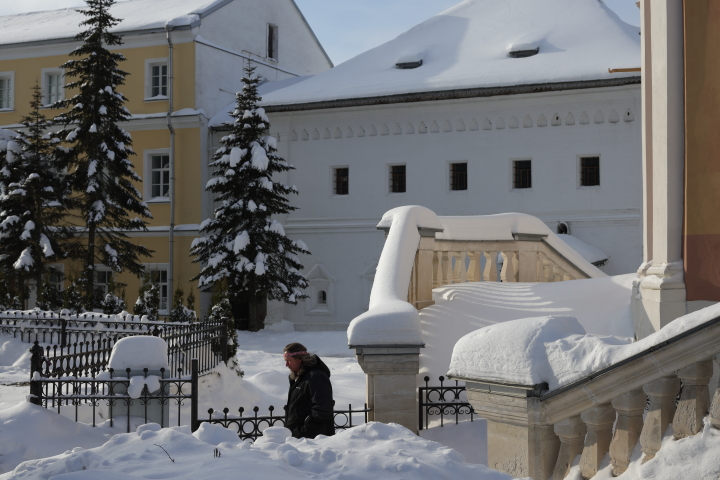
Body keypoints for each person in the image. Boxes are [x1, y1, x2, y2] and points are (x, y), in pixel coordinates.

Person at [283, 342, 335, 438]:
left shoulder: (316, 376)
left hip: (314, 439)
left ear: (299, 359)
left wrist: (304, 431)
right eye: (285, 361)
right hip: (299, 437)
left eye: (289, 361)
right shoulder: (297, 377)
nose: (286, 365)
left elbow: (322, 409)